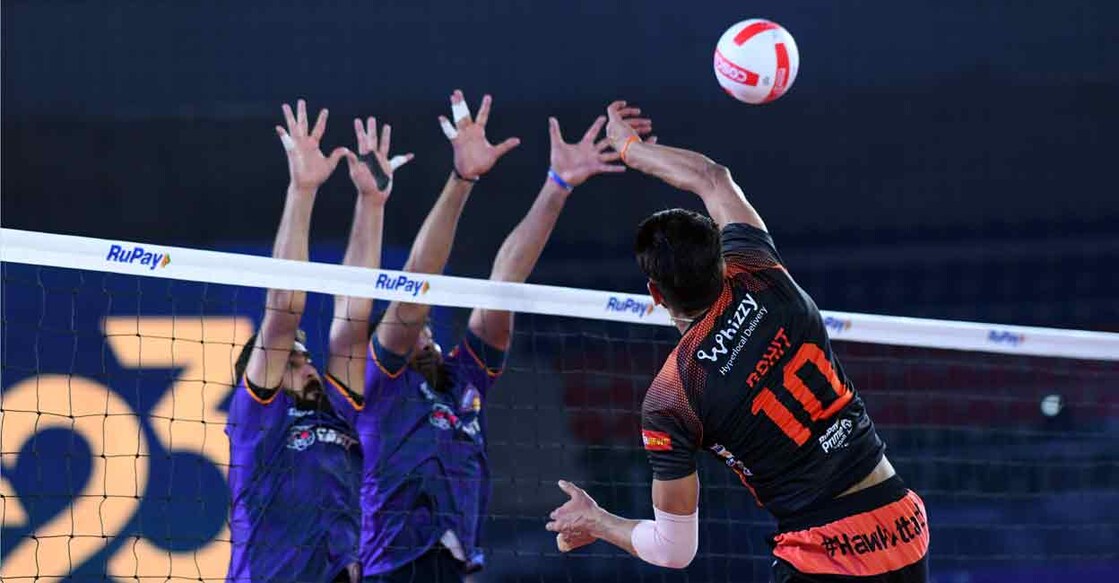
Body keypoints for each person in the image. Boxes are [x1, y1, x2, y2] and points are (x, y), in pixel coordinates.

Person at [546, 100, 930, 582]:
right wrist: (631, 149)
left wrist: (598, 521)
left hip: (824, 550)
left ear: (654, 294)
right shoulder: (764, 275)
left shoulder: (672, 396)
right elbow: (713, 177)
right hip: (900, 522)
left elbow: (673, 551)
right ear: (723, 260)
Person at [359, 90, 629, 582]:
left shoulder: (464, 380)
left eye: (426, 327)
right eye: (413, 325)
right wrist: (461, 179)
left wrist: (557, 185)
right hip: (391, 570)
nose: (423, 330)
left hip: (458, 566)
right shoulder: (384, 381)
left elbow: (504, 284)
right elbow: (419, 278)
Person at [226, 99, 412, 582]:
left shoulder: (337, 409)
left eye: (305, 360)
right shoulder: (255, 422)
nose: (305, 365)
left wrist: (372, 205)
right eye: (291, 363)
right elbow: (282, 318)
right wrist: (303, 189)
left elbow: (353, 320)